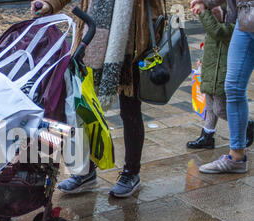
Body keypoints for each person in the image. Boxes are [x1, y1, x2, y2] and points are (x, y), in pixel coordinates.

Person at [31, 0, 165, 197]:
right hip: (92, 41)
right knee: (85, 109)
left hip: (134, 43)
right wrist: (49, 4)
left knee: (130, 110)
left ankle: (131, 173)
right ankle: (86, 172)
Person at [191, 0, 254, 174]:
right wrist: (206, 2)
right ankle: (236, 157)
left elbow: (219, 32)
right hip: (245, 18)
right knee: (232, 88)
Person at [187, 5, 237, 149]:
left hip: (222, 70)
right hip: (211, 67)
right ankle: (207, 135)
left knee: (219, 108)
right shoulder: (218, 15)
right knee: (209, 105)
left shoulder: (234, 19)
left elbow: (218, 32)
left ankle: (246, 125)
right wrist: (203, 60)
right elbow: (210, 39)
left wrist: (203, 12)